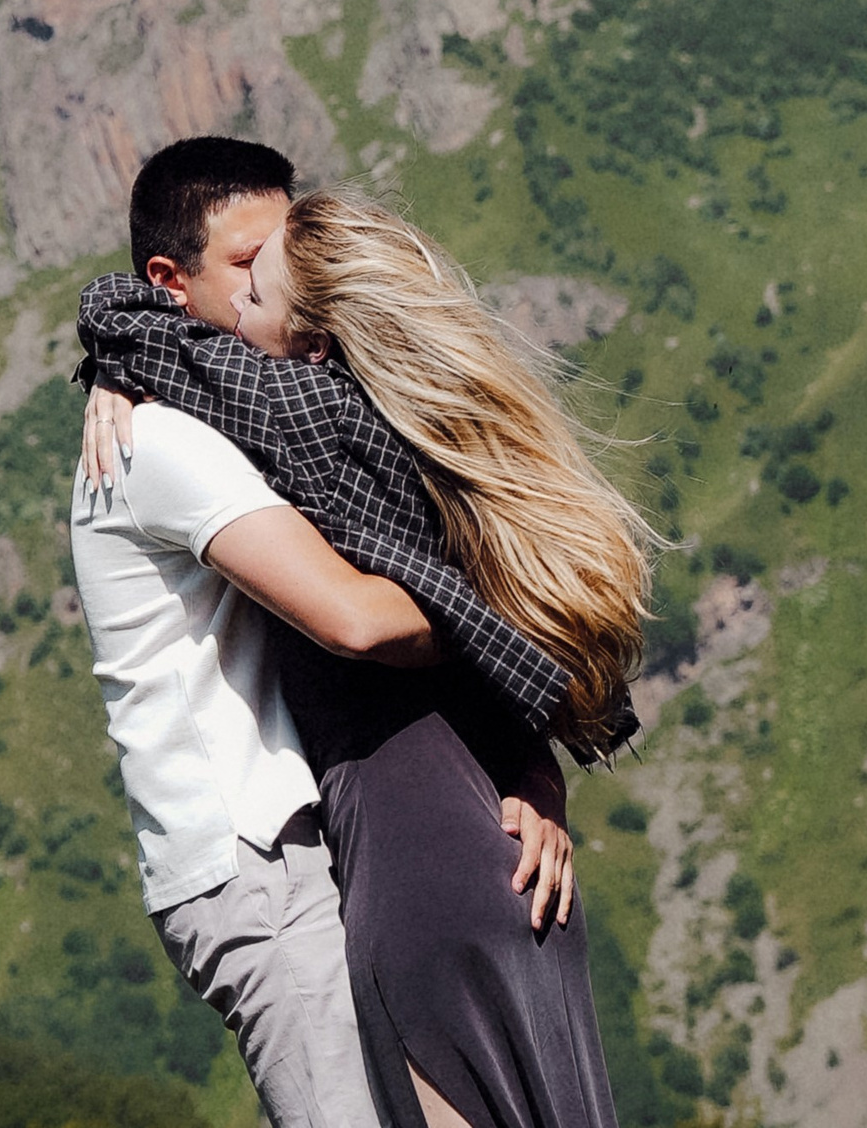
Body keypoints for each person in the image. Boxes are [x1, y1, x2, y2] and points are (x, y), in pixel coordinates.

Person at [81, 175, 653, 1128]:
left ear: (314, 334)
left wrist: (112, 353)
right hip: (498, 854)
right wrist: (533, 756)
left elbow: (357, 623)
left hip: (412, 868)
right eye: (244, 266)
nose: (245, 295)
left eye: (266, 277)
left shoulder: (292, 414)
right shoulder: (392, 428)